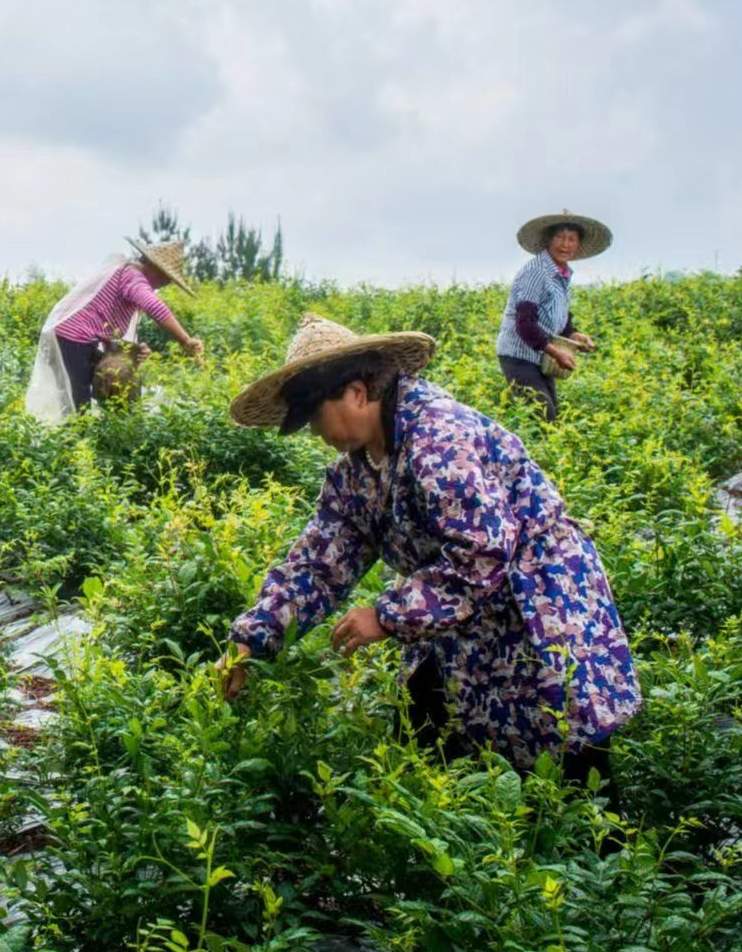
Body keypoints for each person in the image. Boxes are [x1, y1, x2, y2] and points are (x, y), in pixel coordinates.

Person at [218, 314, 639, 782]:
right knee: (433, 744)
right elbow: (319, 564)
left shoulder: (437, 436)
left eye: (316, 416)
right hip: (459, 614)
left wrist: (385, 616)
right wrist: (253, 637)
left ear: (357, 392)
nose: (315, 432)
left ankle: (604, 846)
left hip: (536, 601)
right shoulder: (356, 471)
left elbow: (481, 553)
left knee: (565, 754)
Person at [25, 239, 206, 424]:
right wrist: (185, 340)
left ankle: (95, 440)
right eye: (166, 278)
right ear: (153, 266)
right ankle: (76, 444)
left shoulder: (125, 274)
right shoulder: (133, 276)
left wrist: (134, 349)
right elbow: (154, 306)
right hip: (72, 339)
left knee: (108, 385)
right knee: (77, 402)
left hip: (76, 339)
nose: (164, 284)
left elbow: (107, 326)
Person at [495, 210, 609, 422]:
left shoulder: (563, 273)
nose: (565, 244)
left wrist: (573, 335)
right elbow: (525, 323)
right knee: (542, 417)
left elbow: (558, 312)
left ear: (578, 245)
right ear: (549, 239)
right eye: (560, 237)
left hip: (540, 356)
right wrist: (557, 352)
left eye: (571, 239)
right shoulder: (537, 272)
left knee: (551, 416)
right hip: (519, 356)